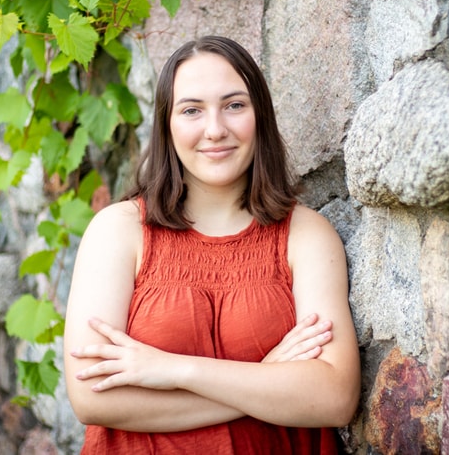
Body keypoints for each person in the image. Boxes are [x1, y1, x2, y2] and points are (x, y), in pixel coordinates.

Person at [63, 35, 361, 454]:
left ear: (260, 115)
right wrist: (265, 377)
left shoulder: (306, 236)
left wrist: (174, 370)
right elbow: (92, 398)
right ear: (167, 125)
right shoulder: (119, 231)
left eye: (234, 105)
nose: (216, 130)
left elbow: (334, 398)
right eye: (191, 110)